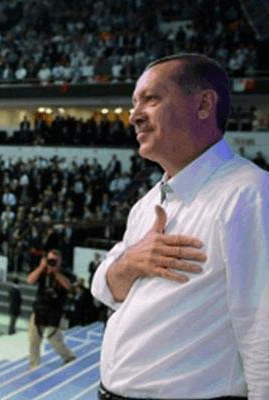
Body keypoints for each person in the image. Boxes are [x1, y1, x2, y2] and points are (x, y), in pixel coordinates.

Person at [91, 54, 268, 399]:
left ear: (203, 105)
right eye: (134, 103)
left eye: (151, 99)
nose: (134, 116)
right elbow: (105, 288)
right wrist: (129, 263)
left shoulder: (250, 194)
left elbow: (262, 328)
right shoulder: (147, 204)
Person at [27, 249, 76, 370]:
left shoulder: (66, 272)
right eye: (50, 260)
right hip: (39, 308)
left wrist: (56, 273)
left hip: (54, 311)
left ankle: (69, 357)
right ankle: (34, 365)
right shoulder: (42, 271)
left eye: (55, 260)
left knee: (54, 338)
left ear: (60, 261)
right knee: (33, 339)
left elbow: (69, 286)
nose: (52, 262)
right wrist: (41, 267)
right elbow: (30, 280)